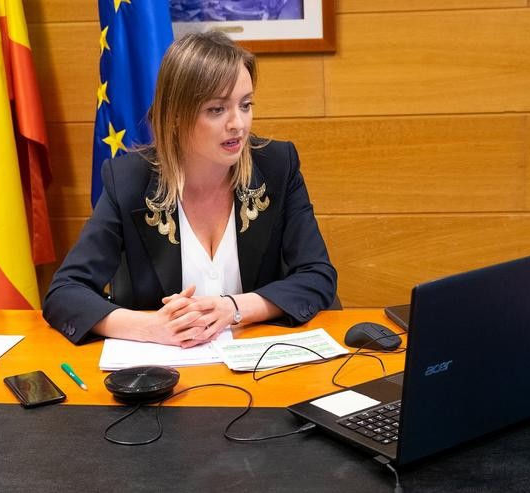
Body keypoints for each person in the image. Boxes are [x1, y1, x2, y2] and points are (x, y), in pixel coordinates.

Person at [43, 31, 337, 346]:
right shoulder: (129, 180)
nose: (238, 123)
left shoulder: (278, 166)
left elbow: (317, 276)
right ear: (176, 116)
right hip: (164, 376)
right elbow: (65, 292)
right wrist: (148, 326)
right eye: (217, 110)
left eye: (246, 104)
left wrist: (234, 308)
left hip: (259, 363)